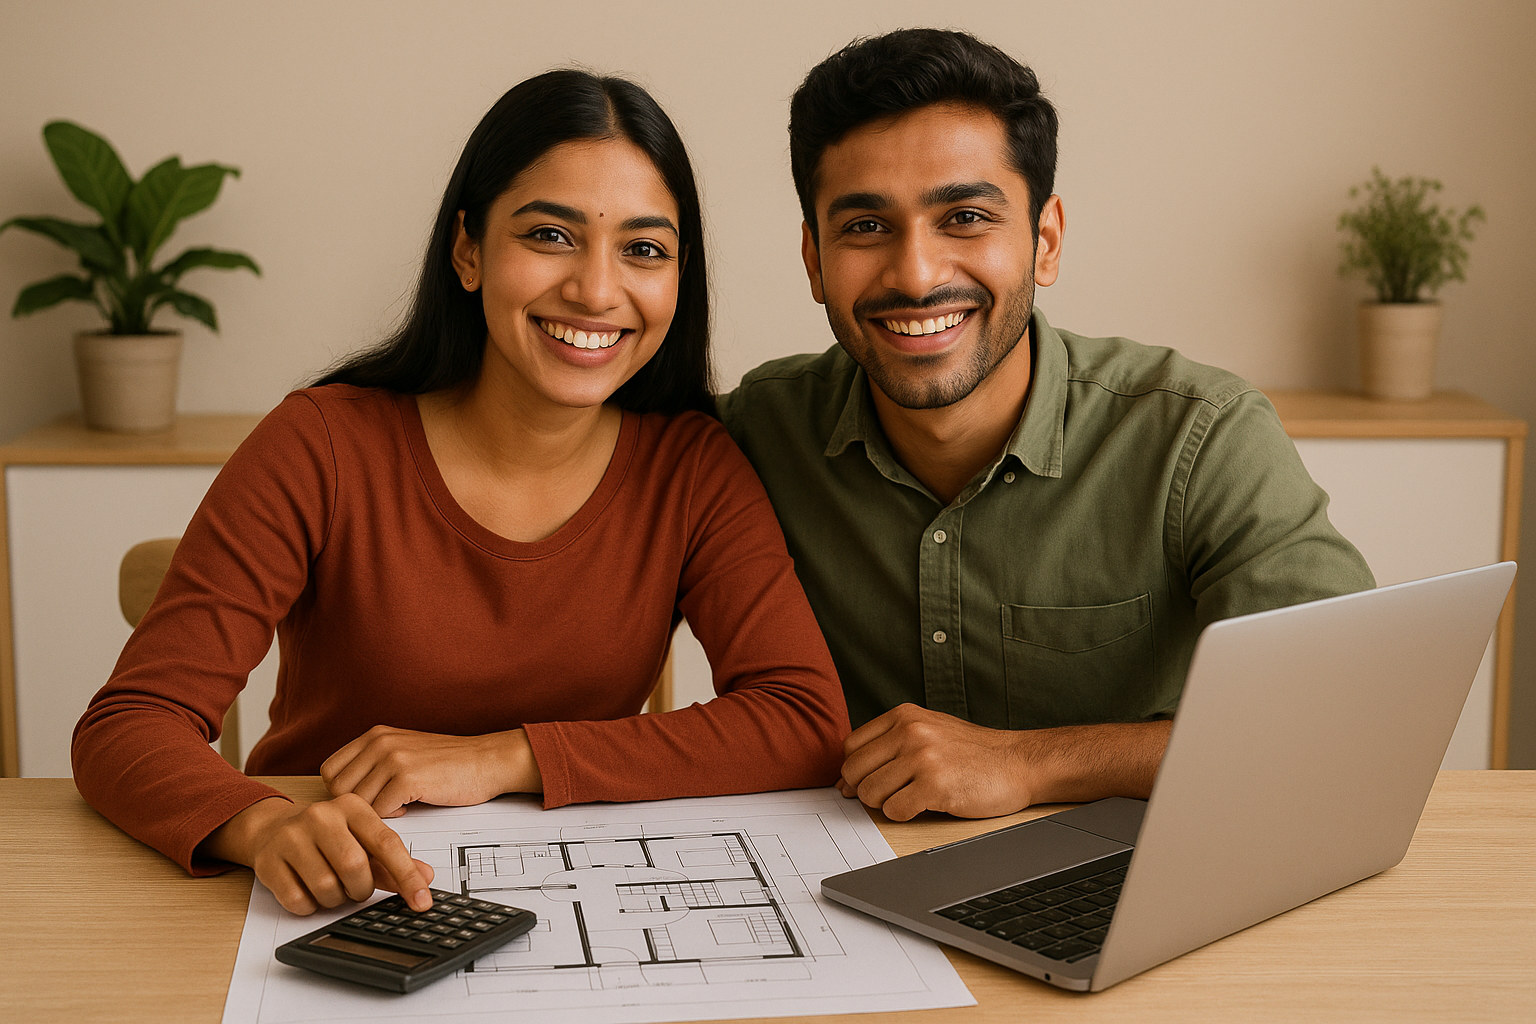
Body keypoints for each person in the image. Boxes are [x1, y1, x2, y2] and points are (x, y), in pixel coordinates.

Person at [73, 70, 850, 916]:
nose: (597, 289)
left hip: (575, 893)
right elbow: (131, 721)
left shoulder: (692, 466)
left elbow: (801, 719)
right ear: (469, 250)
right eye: (550, 234)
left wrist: (504, 756)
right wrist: (259, 825)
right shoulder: (321, 444)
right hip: (330, 894)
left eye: (643, 248)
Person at [717, 29, 1374, 824]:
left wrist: (1029, 761)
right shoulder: (759, 431)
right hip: (848, 886)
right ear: (814, 259)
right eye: (865, 227)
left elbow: (1341, 720)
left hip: (1132, 879)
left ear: (1045, 240)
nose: (917, 275)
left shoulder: (1198, 436)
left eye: (963, 216)